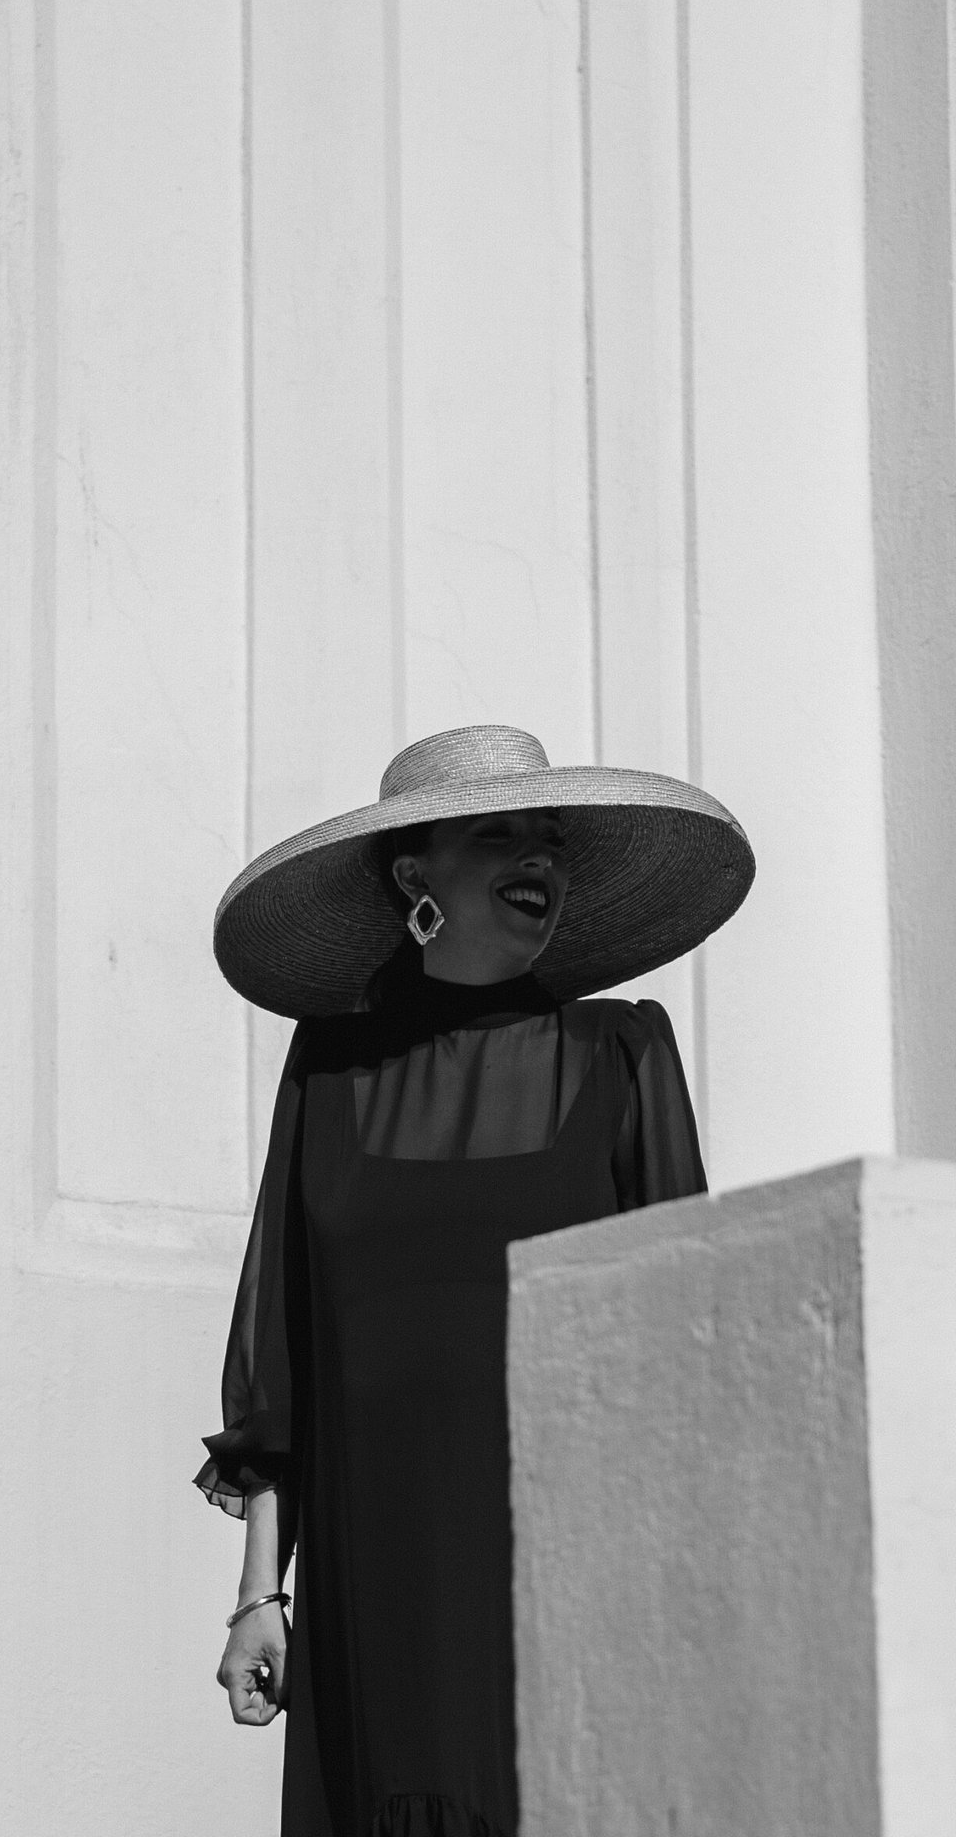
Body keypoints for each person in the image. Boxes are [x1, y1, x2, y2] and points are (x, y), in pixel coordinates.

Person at [196, 724, 754, 1837]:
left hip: (562, 1558)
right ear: (415, 873)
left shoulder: (622, 1053)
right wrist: (261, 1592)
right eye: (501, 830)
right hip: (374, 1564)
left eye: (550, 836)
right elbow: (286, 1349)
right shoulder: (330, 1069)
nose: (537, 855)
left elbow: (683, 1336)